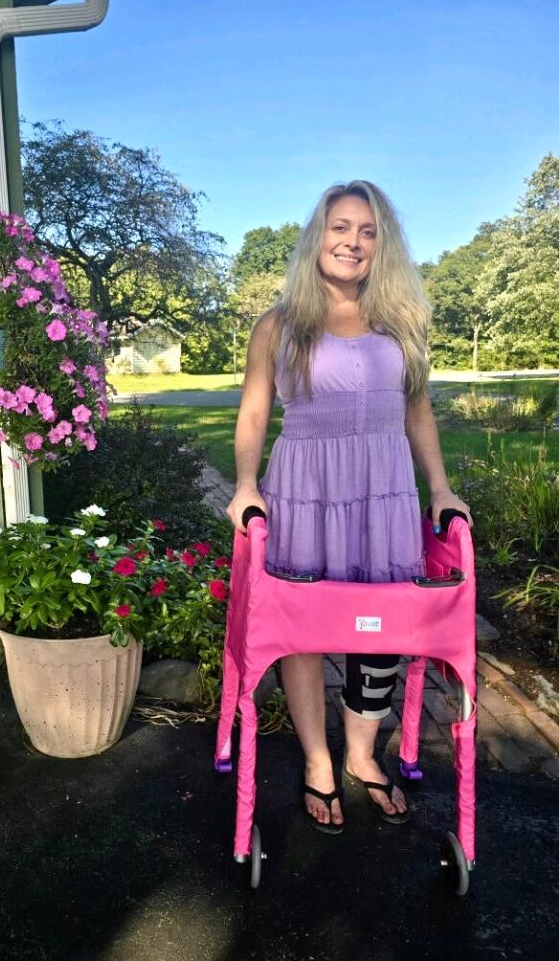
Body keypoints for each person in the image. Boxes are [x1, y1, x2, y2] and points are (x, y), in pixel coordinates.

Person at [226, 181, 473, 833]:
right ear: (318, 235)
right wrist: (245, 484)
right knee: (302, 629)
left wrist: (440, 488)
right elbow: (253, 413)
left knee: (385, 629)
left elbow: (416, 410)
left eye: (367, 231)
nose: (352, 241)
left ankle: (361, 753)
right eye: (341, 227)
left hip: (383, 492)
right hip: (306, 489)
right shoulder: (279, 324)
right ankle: (316, 760)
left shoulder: (402, 323)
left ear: (380, 245)